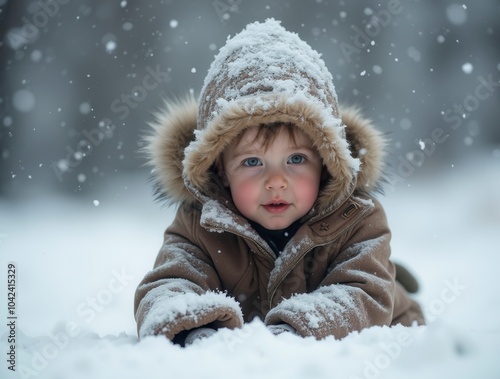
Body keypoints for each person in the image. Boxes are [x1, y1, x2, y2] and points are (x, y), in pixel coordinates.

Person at [134, 18, 424, 346]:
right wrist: (197, 328)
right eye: (253, 162)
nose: (276, 182)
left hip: (389, 327)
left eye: (296, 160)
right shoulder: (199, 225)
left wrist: (293, 331)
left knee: (378, 284)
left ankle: (394, 275)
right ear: (219, 169)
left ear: (327, 164)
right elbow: (167, 288)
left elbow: (364, 295)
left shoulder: (357, 220)